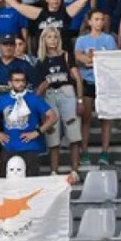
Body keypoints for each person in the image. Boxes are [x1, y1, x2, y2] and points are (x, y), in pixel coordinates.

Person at [35, 27, 83, 179]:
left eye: (55, 37)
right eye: (49, 37)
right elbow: (40, 86)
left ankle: (75, 169)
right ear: (44, 40)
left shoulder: (66, 56)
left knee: (73, 131)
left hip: (67, 92)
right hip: (49, 95)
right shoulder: (40, 61)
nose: (53, 40)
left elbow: (78, 79)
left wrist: (80, 100)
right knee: (52, 133)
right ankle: (54, 170)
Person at [73, 10, 114, 167]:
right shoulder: (82, 40)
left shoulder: (109, 39)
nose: (99, 22)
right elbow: (78, 56)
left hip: (104, 82)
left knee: (106, 118)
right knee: (86, 118)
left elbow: (112, 59)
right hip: (88, 82)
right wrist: (94, 60)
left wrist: (90, 61)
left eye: (101, 19)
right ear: (89, 22)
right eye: (96, 19)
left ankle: (105, 152)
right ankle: (84, 152)